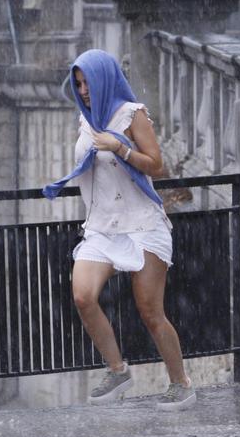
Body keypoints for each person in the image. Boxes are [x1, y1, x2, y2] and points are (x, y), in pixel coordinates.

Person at [43, 49, 195, 410]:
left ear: (105, 79)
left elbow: (156, 165)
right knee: (83, 295)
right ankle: (117, 369)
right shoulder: (86, 119)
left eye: (87, 83)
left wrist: (121, 148)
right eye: (77, 84)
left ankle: (181, 383)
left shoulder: (132, 114)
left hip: (141, 224)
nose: (83, 90)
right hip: (102, 227)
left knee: (150, 311)